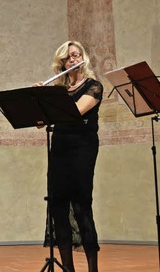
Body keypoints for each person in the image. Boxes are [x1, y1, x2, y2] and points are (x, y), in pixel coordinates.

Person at [35, 40, 103, 272]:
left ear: (83, 57)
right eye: (68, 57)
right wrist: (38, 100)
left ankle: (92, 268)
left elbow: (75, 112)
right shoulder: (59, 91)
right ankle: (68, 269)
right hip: (60, 148)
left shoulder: (94, 86)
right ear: (61, 62)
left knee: (82, 204)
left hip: (82, 148)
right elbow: (39, 123)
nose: (73, 60)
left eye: (76, 55)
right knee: (58, 205)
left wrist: (50, 100)